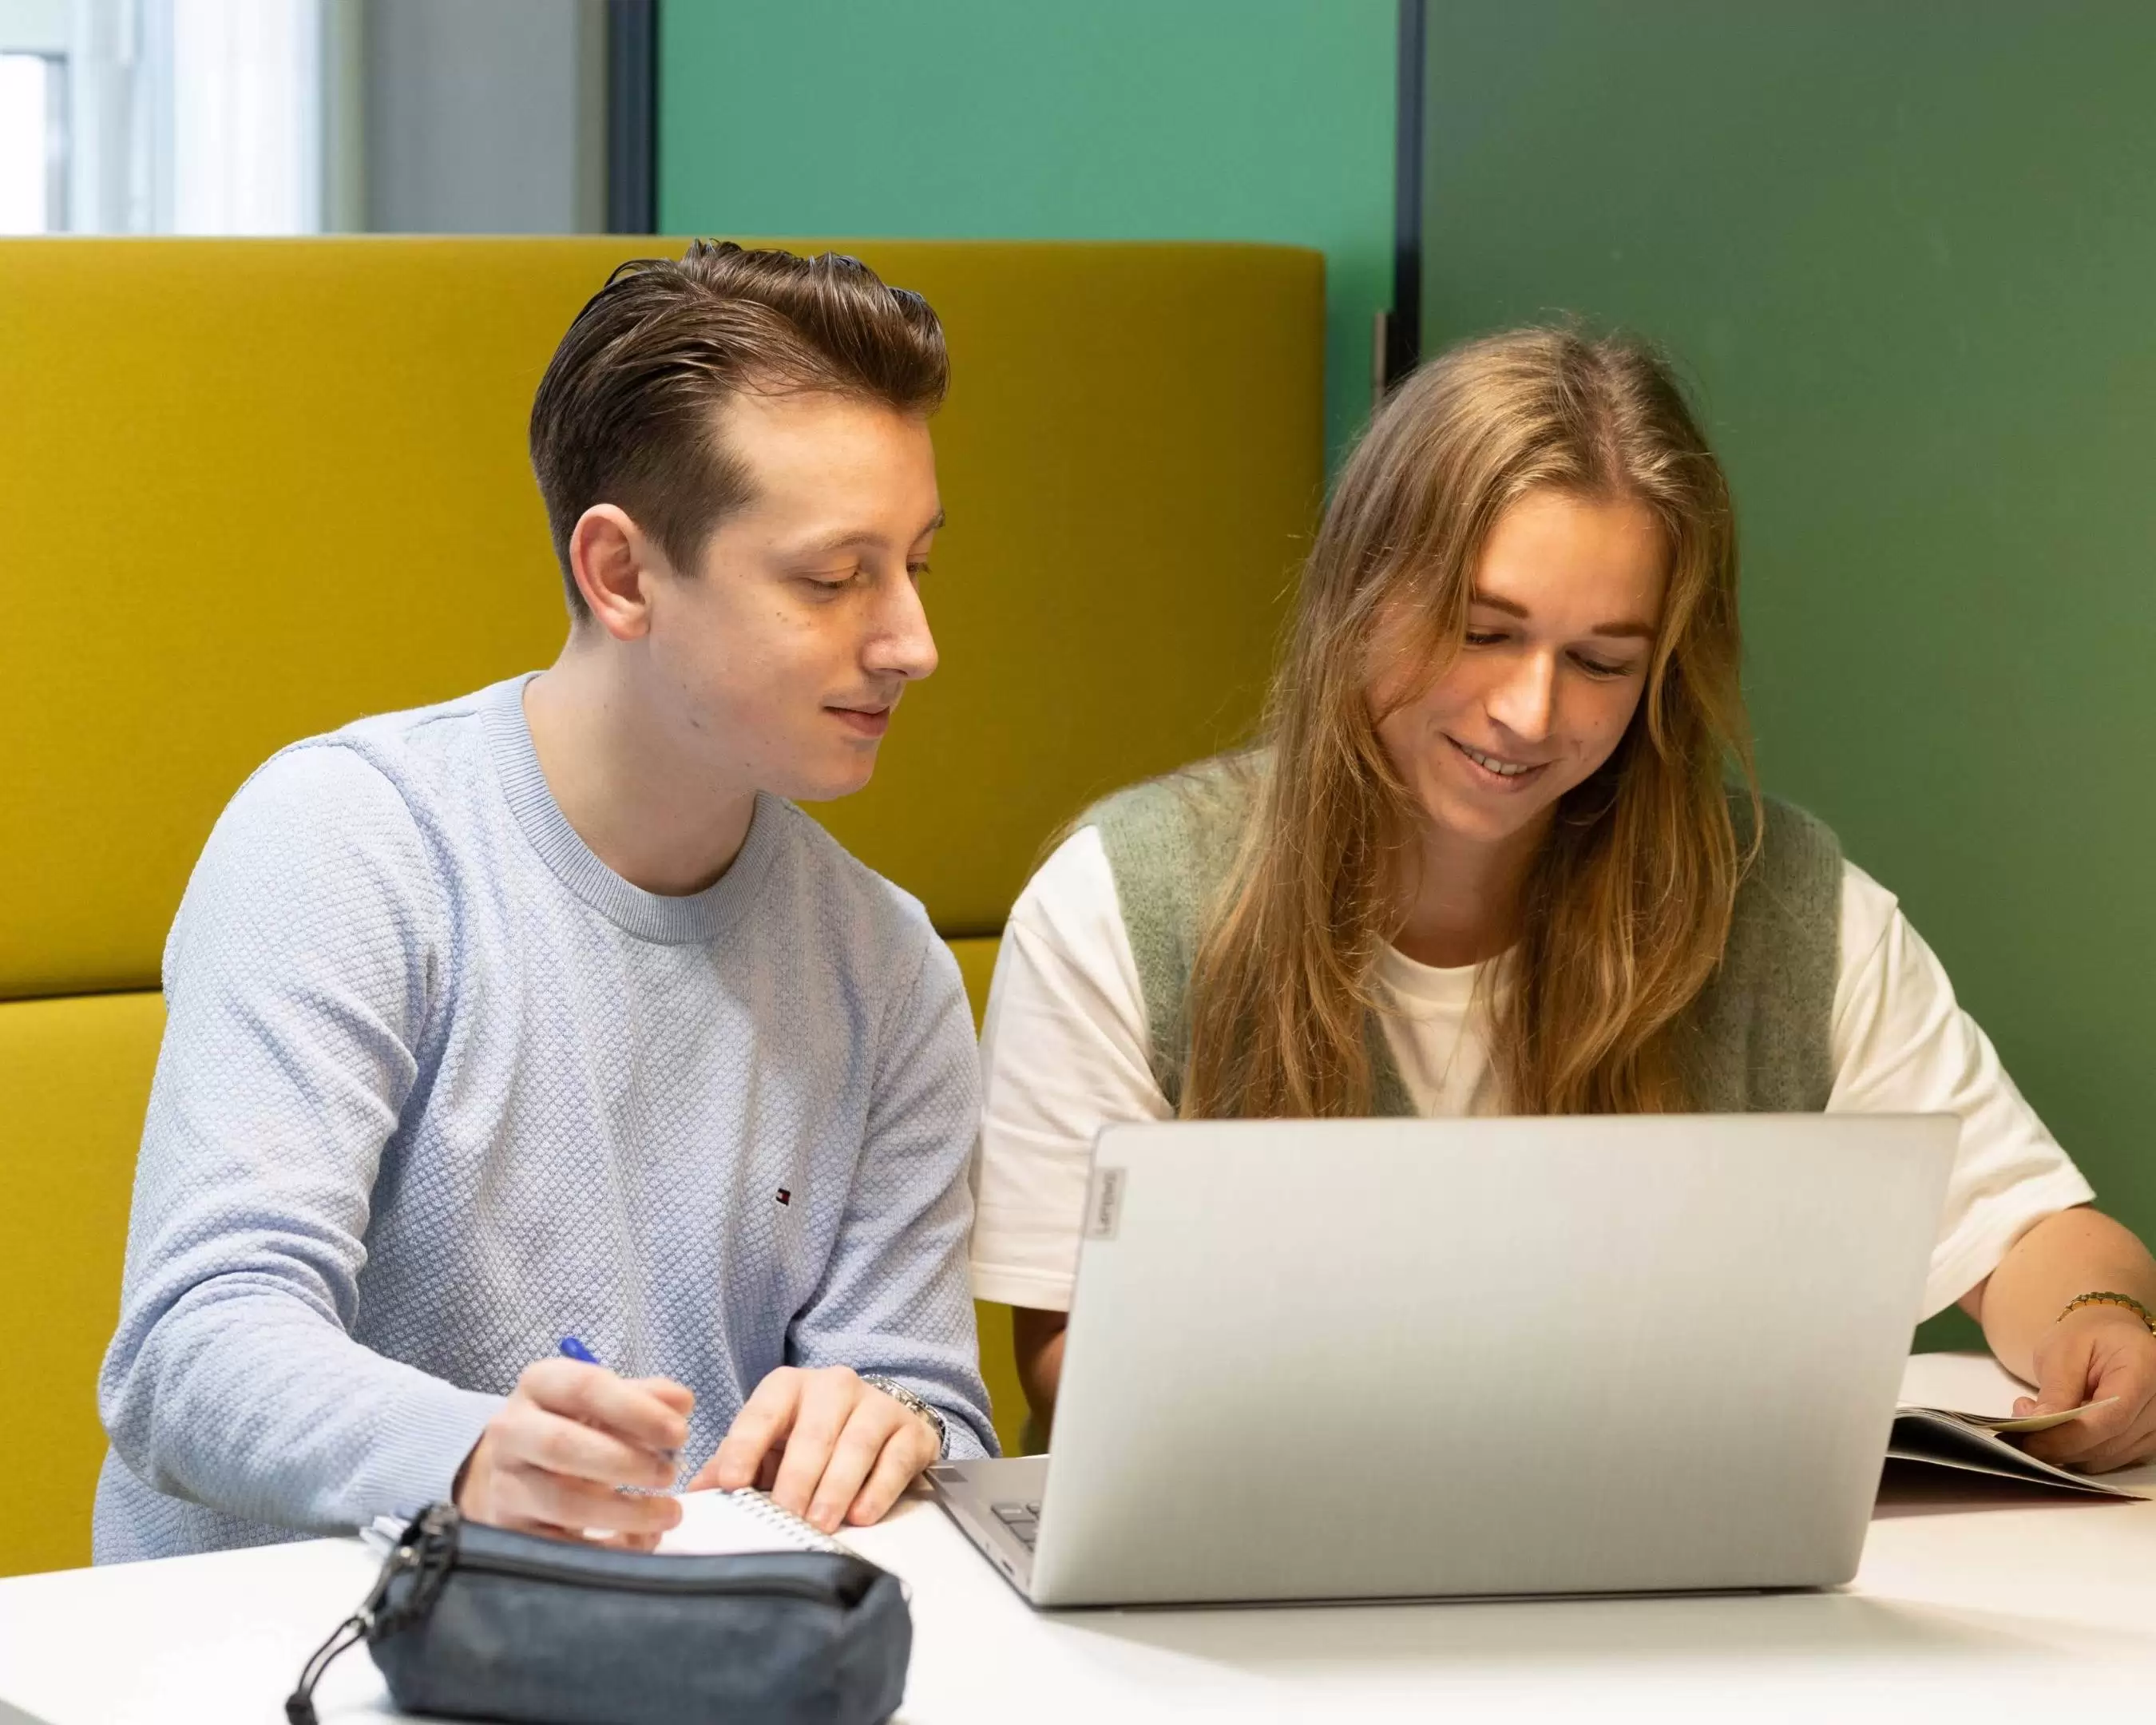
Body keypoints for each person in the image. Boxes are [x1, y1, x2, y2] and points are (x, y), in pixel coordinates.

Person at [971, 328, 2156, 1473]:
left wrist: (2097, 1321)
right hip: (1244, 1591)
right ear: (1359, 596)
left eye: (1601, 663)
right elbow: (1068, 1356)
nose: (1530, 714)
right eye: (1483, 633)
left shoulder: (1784, 905)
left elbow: (2035, 1236)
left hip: (1668, 1597)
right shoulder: (1125, 900)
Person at [96, 241, 997, 1564]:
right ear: (623, 575)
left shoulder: (886, 964)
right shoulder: (348, 844)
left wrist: (893, 1421)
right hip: (303, 1655)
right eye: (832, 577)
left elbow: (930, 1407)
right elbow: (195, 1347)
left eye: (917, 563)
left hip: (685, 1655)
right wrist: (468, 1458)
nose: (912, 641)